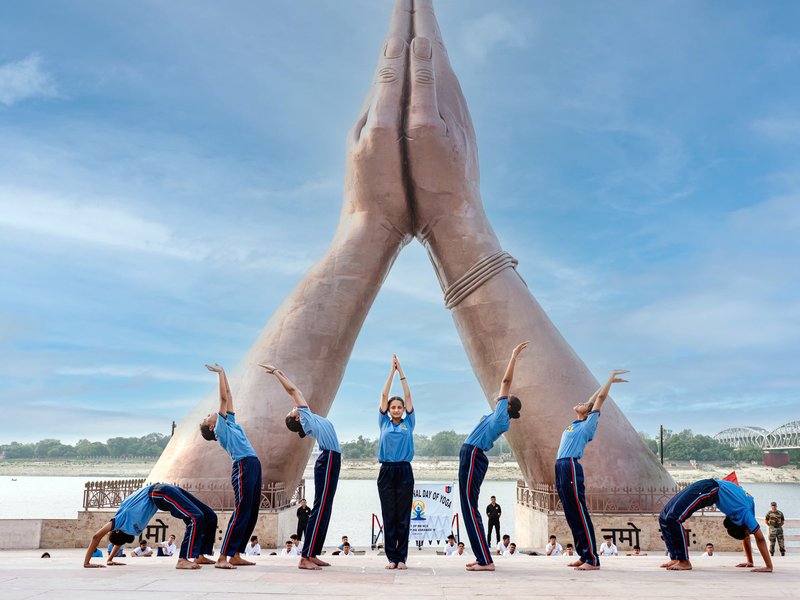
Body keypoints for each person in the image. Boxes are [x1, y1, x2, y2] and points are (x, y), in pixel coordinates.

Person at [262, 365, 341, 571]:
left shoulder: (309, 417)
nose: (294, 407)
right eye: (293, 410)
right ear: (297, 417)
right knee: (321, 507)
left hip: (333, 459)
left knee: (326, 509)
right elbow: (294, 391)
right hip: (328, 459)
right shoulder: (305, 418)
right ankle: (305, 557)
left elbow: (296, 393)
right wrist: (278, 373)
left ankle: (313, 553)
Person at [459, 342, 527, 572]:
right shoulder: (497, 416)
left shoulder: (501, 417)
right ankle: (482, 557)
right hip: (471, 454)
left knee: (469, 507)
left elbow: (505, 383)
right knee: (468, 507)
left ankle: (486, 560)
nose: (501, 398)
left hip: (474, 454)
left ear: (507, 406)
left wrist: (513, 357)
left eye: (505, 399)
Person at [555, 369, 628, 571]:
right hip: (560, 466)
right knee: (570, 513)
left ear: (587, 412)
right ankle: (583, 554)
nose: (582, 402)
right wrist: (605, 381)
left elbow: (600, 399)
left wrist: (610, 380)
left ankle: (592, 559)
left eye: (585, 404)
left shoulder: (588, 424)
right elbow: (592, 398)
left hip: (570, 465)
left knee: (579, 511)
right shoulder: (576, 423)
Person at [199, 364, 262, 569]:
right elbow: (223, 399)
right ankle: (222, 557)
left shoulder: (230, 423)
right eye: (208, 416)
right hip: (243, 465)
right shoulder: (220, 430)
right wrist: (219, 374)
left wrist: (225, 372)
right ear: (211, 426)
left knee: (251, 511)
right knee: (241, 509)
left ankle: (236, 554)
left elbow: (230, 396)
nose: (210, 413)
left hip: (253, 463)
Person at [83, 483, 216, 569]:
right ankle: (187, 558)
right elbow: (119, 541)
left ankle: (196, 556)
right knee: (198, 516)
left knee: (208, 515)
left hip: (159, 491)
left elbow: (96, 537)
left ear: (116, 531)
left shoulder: (119, 520)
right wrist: (110, 559)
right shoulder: (126, 531)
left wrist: (87, 563)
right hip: (163, 492)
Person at [659, 478, 773, 572]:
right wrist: (769, 567)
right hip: (710, 488)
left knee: (670, 518)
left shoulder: (745, 515)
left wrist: (750, 561)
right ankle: (679, 560)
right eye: (749, 532)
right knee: (665, 517)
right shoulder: (746, 514)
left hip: (707, 486)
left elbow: (745, 536)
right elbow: (761, 539)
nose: (750, 533)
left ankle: (680, 559)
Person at [377, 354, 415, 570]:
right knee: (389, 515)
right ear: (389, 410)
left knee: (403, 516)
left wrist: (401, 372)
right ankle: (392, 557)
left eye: (400, 407)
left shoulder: (409, 422)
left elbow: (408, 395)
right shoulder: (384, 422)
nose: (397, 409)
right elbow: (384, 394)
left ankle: (402, 558)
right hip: (386, 471)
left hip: (404, 471)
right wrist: (391, 372)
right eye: (394, 407)